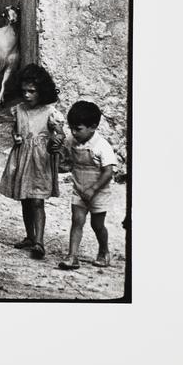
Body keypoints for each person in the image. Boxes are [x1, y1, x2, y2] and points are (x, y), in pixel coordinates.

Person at [0, 64, 64, 259]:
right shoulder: (18, 110)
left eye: (32, 91)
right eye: (24, 91)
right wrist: (15, 136)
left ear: (42, 91)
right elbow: (15, 128)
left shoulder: (50, 112)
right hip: (22, 157)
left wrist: (56, 141)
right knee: (26, 200)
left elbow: (60, 134)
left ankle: (39, 242)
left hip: (40, 160)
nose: (27, 95)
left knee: (37, 201)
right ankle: (30, 236)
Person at [58, 100, 116, 270]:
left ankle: (104, 251)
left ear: (93, 127)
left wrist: (93, 189)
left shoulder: (102, 146)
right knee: (77, 221)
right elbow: (66, 160)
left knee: (97, 225)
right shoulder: (72, 141)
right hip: (79, 189)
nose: (74, 132)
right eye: (71, 128)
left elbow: (108, 172)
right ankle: (72, 256)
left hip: (98, 192)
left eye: (78, 129)